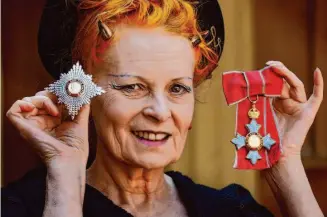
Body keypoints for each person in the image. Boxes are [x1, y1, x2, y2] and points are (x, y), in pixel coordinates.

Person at [2, 0, 324, 216]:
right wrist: (64, 179)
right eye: (132, 87)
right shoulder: (22, 205)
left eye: (177, 89)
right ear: (85, 95)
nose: (160, 110)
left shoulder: (229, 209)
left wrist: (285, 160)